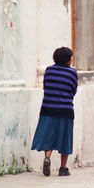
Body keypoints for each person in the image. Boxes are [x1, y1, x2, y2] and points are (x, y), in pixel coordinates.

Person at [31, 47, 78, 176]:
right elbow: (73, 90)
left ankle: (47, 157)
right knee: (65, 138)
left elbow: (45, 86)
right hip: (65, 109)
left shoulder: (49, 71)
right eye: (71, 57)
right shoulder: (72, 73)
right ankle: (63, 168)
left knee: (49, 134)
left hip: (48, 108)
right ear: (68, 59)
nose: (72, 59)